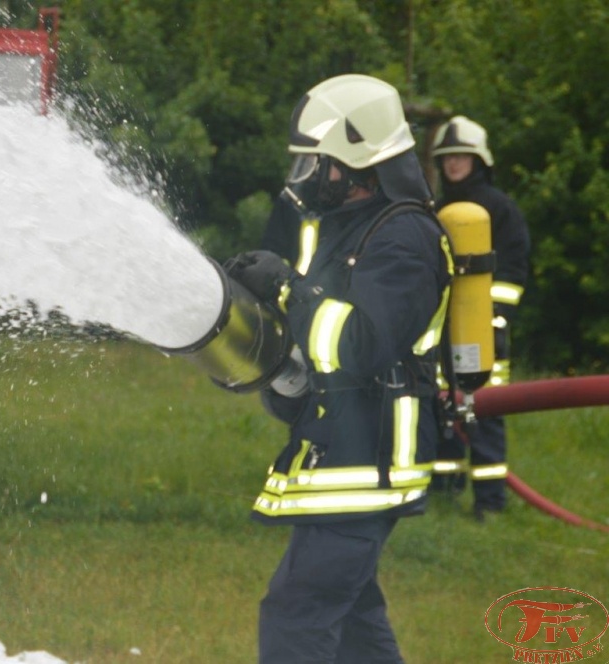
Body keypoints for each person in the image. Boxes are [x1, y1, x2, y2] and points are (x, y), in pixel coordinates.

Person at [223, 73, 453, 663]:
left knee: (297, 614)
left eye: (317, 163)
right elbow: (317, 337)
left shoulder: (404, 236)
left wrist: (287, 290)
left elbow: (359, 345)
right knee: (352, 619)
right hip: (344, 450)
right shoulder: (345, 228)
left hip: (370, 460)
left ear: (357, 162)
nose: (307, 177)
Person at [429, 115, 531, 520]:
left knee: (483, 411)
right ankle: (444, 492)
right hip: (441, 332)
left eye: (462, 156)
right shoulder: (435, 209)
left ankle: (490, 503)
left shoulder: (498, 208)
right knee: (442, 410)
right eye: (448, 157)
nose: (454, 164)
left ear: (479, 160)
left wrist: (494, 317)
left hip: (484, 332)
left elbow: (514, 268)